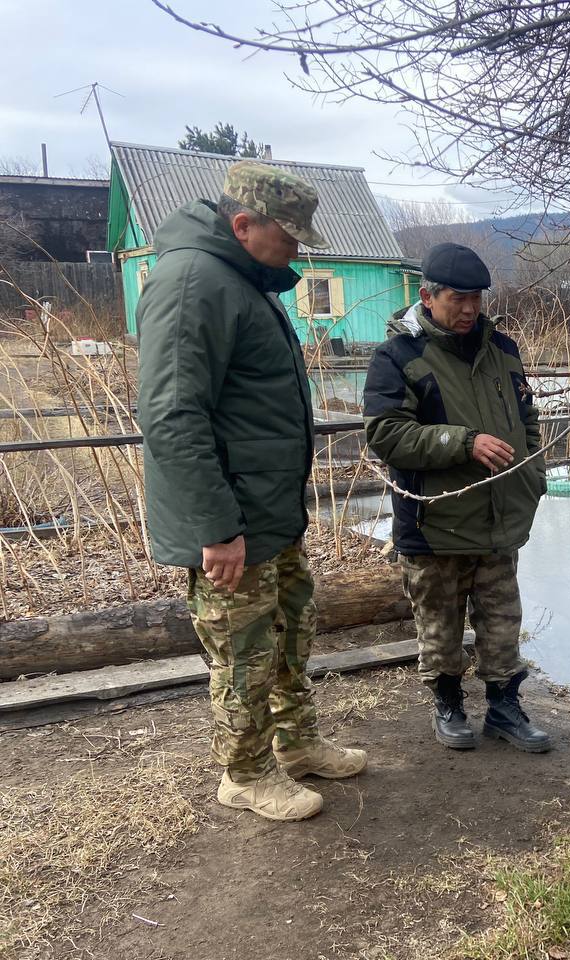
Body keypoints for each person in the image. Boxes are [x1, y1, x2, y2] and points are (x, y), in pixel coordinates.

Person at [136, 161, 367, 822]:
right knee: (243, 653)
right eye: (290, 239)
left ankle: (295, 743)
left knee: (291, 629)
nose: (297, 251)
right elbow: (172, 413)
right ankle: (244, 772)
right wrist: (216, 525)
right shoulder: (192, 283)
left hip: (270, 513)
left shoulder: (242, 277)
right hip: (233, 520)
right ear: (244, 225)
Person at [363, 242, 550, 752]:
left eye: (477, 299)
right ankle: (448, 704)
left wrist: (534, 473)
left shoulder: (503, 350)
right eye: (457, 299)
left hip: (498, 517)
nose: (469, 309)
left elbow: (526, 419)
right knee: (439, 623)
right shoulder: (397, 357)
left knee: (502, 620)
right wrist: (462, 442)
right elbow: (385, 434)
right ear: (426, 296)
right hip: (434, 522)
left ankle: (504, 708)